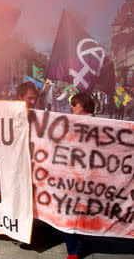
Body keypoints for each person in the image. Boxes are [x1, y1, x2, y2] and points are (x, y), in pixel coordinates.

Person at [64, 92, 96, 259]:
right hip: (72, 176)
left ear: (84, 105)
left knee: (74, 212)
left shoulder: (100, 125)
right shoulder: (71, 122)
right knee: (71, 212)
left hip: (87, 177)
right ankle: (73, 249)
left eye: (74, 103)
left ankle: (74, 250)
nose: (71, 106)